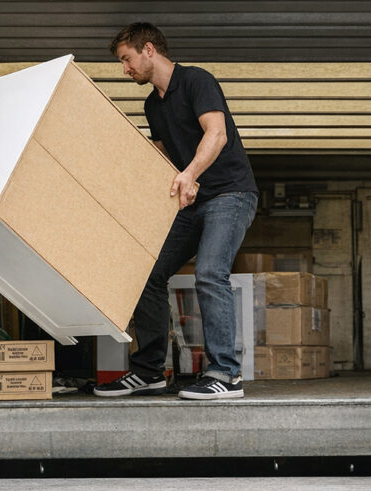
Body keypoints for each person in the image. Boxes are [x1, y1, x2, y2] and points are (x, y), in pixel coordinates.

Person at [94, 22, 259, 400]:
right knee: (147, 271)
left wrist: (189, 174)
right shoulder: (152, 104)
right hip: (193, 198)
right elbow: (162, 156)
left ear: (149, 49)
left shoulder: (197, 81)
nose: (125, 70)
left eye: (126, 59)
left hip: (230, 194)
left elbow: (216, 134)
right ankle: (149, 371)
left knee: (209, 273)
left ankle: (225, 374)